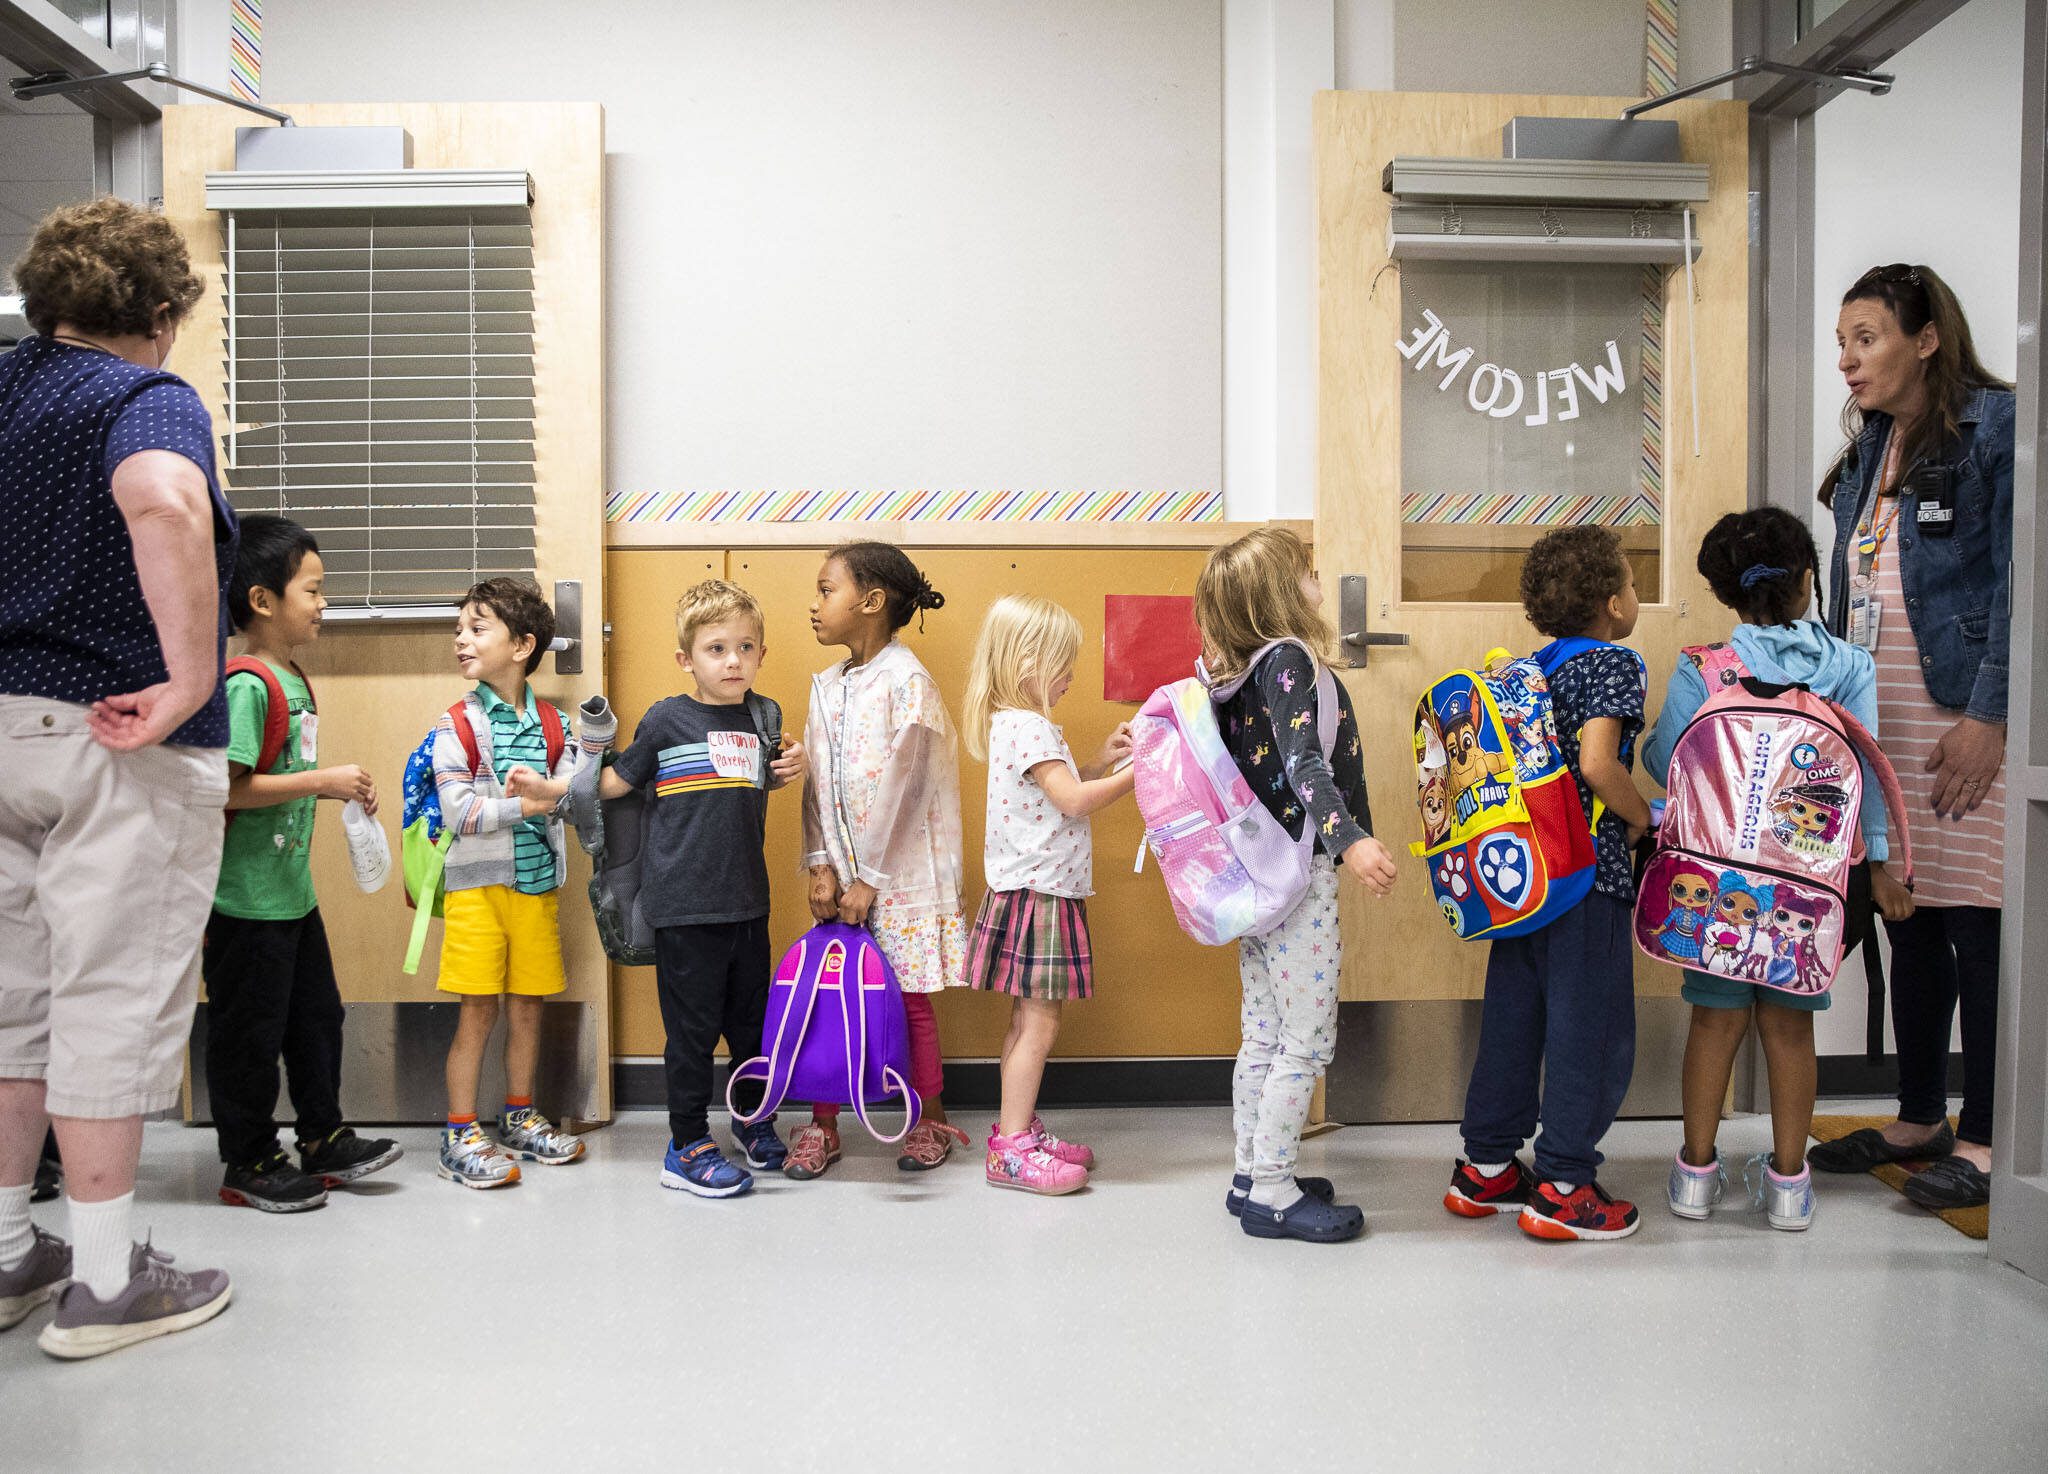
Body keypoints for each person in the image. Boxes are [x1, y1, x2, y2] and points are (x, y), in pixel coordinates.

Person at [0, 197, 235, 1357]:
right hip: (111, 736)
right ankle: (103, 1282)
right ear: (156, 314)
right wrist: (192, 678)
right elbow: (164, 499)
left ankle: (6, 1256)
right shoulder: (144, 397)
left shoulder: (2, 389)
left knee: (13, 999)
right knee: (104, 997)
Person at [1807, 264, 2014, 1212]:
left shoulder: (1996, 431)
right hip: (1881, 722)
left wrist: (1991, 716)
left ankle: (1986, 1137)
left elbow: (2022, 584)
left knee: (1980, 924)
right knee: (1911, 918)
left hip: (1966, 726)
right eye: (1843, 341)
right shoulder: (1869, 451)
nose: (1847, 359)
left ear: (1926, 339)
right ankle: (1920, 1113)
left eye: (1867, 337)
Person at [1644, 509, 1903, 1232]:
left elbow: (1668, 762)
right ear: (1809, 579)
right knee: (1791, 1029)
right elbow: (1869, 781)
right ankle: (1789, 1182)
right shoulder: (1851, 668)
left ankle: (1696, 1176)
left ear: (1729, 596)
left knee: (1713, 1023)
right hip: (1811, 888)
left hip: (1718, 879)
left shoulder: (1705, 667)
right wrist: (1879, 867)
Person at [1445, 525, 1653, 1242]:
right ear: (1610, 602)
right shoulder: (1613, 663)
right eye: (1629, 582)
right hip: (1587, 878)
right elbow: (1599, 764)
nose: (1633, 596)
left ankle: (1488, 1168)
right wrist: (1641, 816)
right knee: (1588, 1029)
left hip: (1525, 882)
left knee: (1514, 1021)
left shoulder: (1530, 669)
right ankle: (1565, 1184)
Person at [1195, 527, 1395, 1244]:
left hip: (1257, 876)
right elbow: (1305, 764)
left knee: (1264, 1033)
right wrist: (1354, 841)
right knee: (1304, 1041)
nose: (1321, 581)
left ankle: (1253, 1172)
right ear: (1280, 593)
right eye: (1310, 574)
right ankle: (1275, 1191)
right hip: (1298, 874)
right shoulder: (1288, 661)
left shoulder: (1235, 670)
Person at [574, 580, 806, 1197]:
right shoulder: (666, 719)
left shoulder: (763, 717)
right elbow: (617, 786)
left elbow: (747, 788)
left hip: (747, 905)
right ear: (687, 659)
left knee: (752, 1029)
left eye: (746, 647)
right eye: (716, 648)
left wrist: (789, 769)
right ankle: (686, 1145)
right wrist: (556, 791)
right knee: (692, 1035)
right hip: (682, 908)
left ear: (760, 654)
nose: (733, 660)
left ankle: (753, 1124)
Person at [204, 515, 404, 1213]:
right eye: (312, 590)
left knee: (316, 1017)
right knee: (248, 1037)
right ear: (262, 600)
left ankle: (322, 1136)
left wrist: (335, 788)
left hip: (291, 893)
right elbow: (227, 787)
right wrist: (324, 783)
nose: (323, 604)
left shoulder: (292, 677)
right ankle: (249, 1158)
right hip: (244, 900)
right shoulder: (247, 685)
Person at [792, 542, 969, 1177]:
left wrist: (871, 877)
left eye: (825, 590)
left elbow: (909, 787)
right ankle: (822, 1125)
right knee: (829, 997)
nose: (813, 605)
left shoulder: (908, 681)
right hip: (840, 876)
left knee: (910, 1002)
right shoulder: (826, 686)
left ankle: (928, 1120)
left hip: (896, 880)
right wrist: (821, 863)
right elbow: (814, 783)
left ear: (869, 602)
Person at [961, 595, 1133, 1195]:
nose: (1071, 677)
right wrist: (1142, 771)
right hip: (1041, 895)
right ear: (1029, 660)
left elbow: (1055, 786)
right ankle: (1011, 1147)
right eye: (1063, 664)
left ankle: (1018, 1129)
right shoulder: (1029, 725)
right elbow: (1073, 801)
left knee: (1025, 1022)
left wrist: (1101, 760)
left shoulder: (1013, 724)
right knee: (1040, 1025)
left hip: (1026, 891)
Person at [431, 579, 593, 1188]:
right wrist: (531, 805)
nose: (462, 639)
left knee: (528, 1008)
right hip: (476, 893)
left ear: (523, 645)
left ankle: (520, 1116)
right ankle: (459, 1130)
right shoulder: (457, 724)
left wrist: (554, 795)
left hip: (537, 890)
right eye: (461, 628)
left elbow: (577, 802)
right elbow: (458, 813)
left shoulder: (556, 724)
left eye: (478, 628)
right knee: (478, 1012)